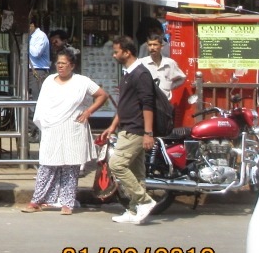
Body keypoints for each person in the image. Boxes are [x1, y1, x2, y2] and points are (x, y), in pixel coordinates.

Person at [22, 50, 108, 215]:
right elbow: (43, 104)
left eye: (64, 63)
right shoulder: (48, 80)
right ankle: (37, 200)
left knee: (70, 165)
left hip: (72, 127)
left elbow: (102, 95)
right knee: (47, 165)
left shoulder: (82, 81)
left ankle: (67, 203)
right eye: (58, 63)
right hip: (52, 127)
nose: (60, 66)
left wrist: (88, 111)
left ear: (72, 65)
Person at [98, 35, 158, 225]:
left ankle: (144, 201)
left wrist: (148, 133)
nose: (114, 55)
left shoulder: (141, 74)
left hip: (136, 129)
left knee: (116, 165)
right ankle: (133, 211)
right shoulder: (128, 74)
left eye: (116, 52)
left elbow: (148, 104)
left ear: (127, 52)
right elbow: (124, 105)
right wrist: (113, 126)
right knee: (136, 171)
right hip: (126, 126)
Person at [28, 17, 50, 99]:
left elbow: (36, 53)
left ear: (32, 25)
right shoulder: (31, 36)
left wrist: (27, 43)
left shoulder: (40, 36)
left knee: (36, 96)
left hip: (38, 70)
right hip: (30, 70)